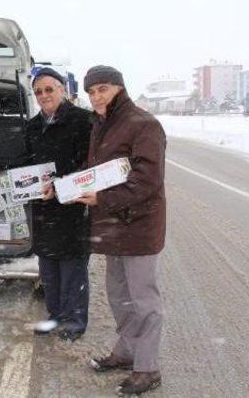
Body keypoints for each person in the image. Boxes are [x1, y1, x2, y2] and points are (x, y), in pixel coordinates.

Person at [77, 65, 166, 395]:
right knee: (119, 295)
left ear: (119, 88)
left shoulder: (143, 124)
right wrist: (70, 187)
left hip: (139, 226)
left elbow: (147, 180)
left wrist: (103, 197)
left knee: (144, 300)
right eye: (91, 91)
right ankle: (127, 351)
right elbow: (96, 171)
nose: (96, 96)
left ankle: (147, 368)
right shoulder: (101, 125)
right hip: (113, 224)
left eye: (102, 89)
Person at [25, 67, 93, 341]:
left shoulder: (83, 121)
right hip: (43, 207)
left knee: (72, 267)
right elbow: (26, 162)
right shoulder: (32, 126)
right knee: (49, 269)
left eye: (49, 89)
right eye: (38, 91)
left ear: (63, 89)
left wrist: (61, 185)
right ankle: (54, 316)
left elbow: (89, 165)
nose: (44, 95)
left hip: (74, 206)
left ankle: (74, 321)